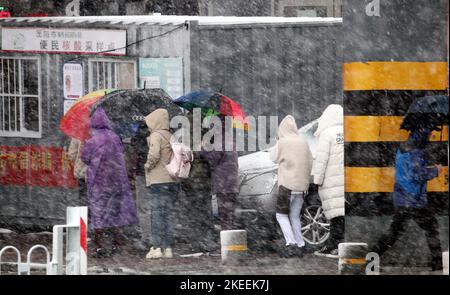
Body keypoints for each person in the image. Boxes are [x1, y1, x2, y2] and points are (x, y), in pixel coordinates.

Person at [371, 125, 443, 271]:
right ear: (422, 135)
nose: (429, 138)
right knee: (431, 227)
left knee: (393, 233)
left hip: (402, 198)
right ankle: (437, 264)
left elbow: (409, 172)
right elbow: (417, 175)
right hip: (413, 200)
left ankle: (370, 257)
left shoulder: (404, 148)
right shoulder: (416, 152)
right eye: (428, 135)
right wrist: (436, 170)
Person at [81, 107, 139, 257]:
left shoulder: (92, 141)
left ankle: (99, 247)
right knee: (116, 213)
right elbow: (121, 154)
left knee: (98, 214)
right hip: (117, 181)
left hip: (99, 183)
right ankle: (116, 245)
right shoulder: (115, 137)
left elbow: (85, 158)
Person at [270, 115, 313, 258]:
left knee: (281, 215)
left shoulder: (282, 142)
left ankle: (291, 243)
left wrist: (277, 143)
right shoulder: (303, 142)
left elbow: (273, 158)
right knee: (294, 216)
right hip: (301, 187)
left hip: (286, 186)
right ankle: (301, 244)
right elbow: (310, 162)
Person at [144, 108, 179, 259]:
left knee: (157, 214)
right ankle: (168, 247)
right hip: (172, 180)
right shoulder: (171, 135)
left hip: (158, 181)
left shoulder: (156, 136)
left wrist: (147, 165)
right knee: (169, 214)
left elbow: (154, 155)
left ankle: (156, 247)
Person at [311, 104, 345, 257]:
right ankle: (337, 245)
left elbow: (321, 160)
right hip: (346, 180)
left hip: (331, 181)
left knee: (336, 216)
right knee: (342, 215)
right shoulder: (348, 130)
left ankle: (335, 246)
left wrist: (316, 179)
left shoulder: (327, 134)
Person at [180, 115, 216, 253]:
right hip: (203, 180)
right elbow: (210, 158)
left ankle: (197, 241)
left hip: (192, 180)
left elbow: (185, 158)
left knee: (194, 212)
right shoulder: (207, 135)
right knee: (204, 211)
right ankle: (205, 240)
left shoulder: (185, 137)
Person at [202, 116, 240, 231]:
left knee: (225, 215)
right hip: (231, 182)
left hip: (223, 183)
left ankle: (226, 244)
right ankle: (230, 241)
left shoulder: (220, 140)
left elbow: (212, 159)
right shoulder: (229, 138)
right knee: (229, 214)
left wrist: (203, 148)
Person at [130, 121, 152, 251]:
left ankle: (147, 238)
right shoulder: (163, 132)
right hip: (158, 175)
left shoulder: (141, 132)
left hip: (142, 173)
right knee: (157, 206)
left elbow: (136, 147)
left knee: (143, 207)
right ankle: (159, 238)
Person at [67, 138, 87, 206]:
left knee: (83, 200)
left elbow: (71, 154)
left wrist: (78, 164)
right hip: (97, 175)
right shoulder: (100, 133)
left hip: (82, 174)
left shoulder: (78, 133)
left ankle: (84, 215)